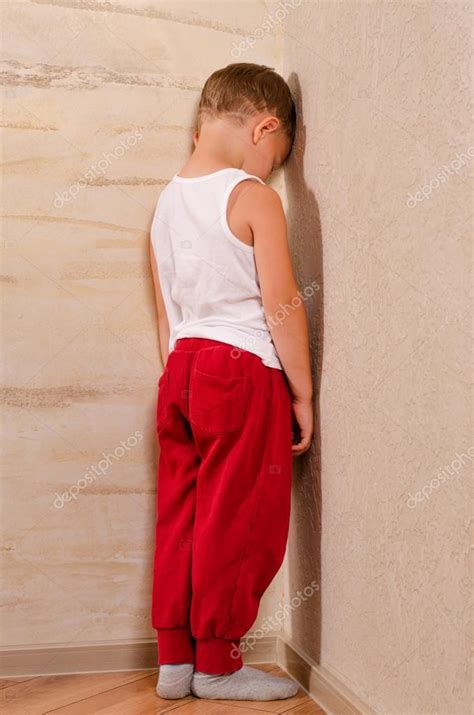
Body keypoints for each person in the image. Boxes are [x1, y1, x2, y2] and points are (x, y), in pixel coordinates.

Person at [150, 63, 313, 701]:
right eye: (272, 158)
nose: (269, 172)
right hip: (241, 369)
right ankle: (218, 663)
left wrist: (178, 376)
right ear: (264, 127)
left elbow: (168, 314)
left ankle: (175, 661)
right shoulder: (251, 197)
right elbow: (281, 304)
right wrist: (301, 391)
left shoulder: (165, 205)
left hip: (181, 370)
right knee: (239, 514)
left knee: (182, 512)